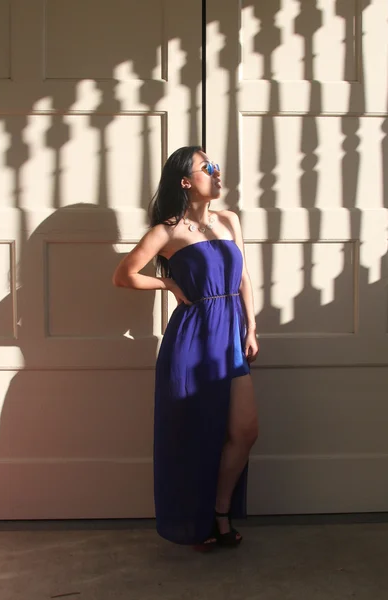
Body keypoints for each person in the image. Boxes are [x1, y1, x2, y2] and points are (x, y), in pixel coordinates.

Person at [113, 146, 259, 550]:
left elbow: (243, 277)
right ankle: (200, 524)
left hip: (230, 335)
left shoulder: (228, 220)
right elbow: (124, 275)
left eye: (215, 165)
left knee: (245, 431)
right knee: (194, 435)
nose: (216, 171)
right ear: (185, 180)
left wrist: (251, 327)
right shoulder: (168, 230)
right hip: (193, 340)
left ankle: (219, 509)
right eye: (206, 167)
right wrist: (169, 284)